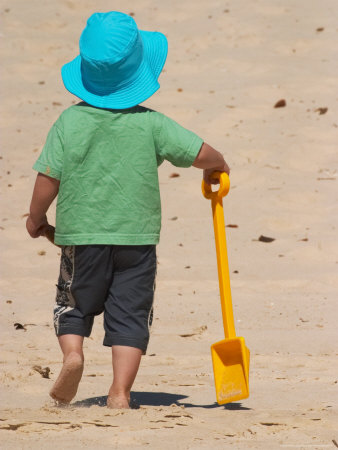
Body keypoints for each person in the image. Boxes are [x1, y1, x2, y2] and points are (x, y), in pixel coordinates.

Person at [26, 11, 230, 409]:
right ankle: (120, 392)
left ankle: (73, 354)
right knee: (131, 315)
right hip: (136, 240)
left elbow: (47, 179)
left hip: (81, 240)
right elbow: (199, 152)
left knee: (73, 304)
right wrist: (220, 164)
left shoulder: (69, 122)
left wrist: (37, 219)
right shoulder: (153, 124)